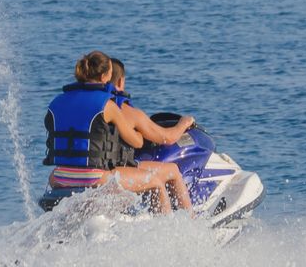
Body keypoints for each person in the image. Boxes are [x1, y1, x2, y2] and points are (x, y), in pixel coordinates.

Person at [44, 51, 193, 213]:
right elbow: (137, 142)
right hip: (95, 177)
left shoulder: (56, 102)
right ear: (104, 77)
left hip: (59, 176)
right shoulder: (107, 105)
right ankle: (168, 231)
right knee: (155, 182)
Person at [109, 57, 196, 148]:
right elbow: (168, 138)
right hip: (119, 161)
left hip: (98, 157)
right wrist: (184, 123)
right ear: (120, 82)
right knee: (173, 163)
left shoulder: (97, 104)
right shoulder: (131, 113)